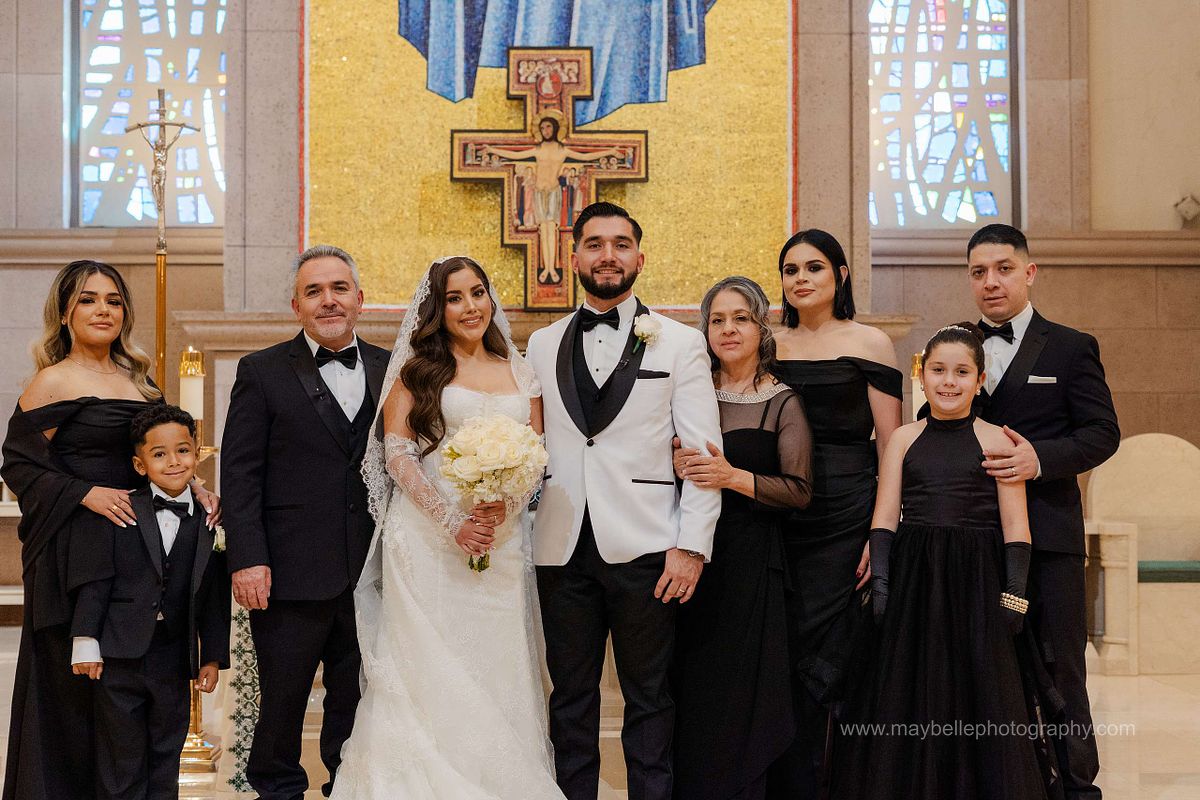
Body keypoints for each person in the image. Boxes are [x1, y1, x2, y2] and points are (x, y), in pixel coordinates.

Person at [331, 256, 562, 798]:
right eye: (454, 298)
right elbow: (398, 454)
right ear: (437, 309)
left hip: (499, 541)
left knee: (495, 663)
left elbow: (536, 452)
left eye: (477, 293)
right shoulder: (417, 371)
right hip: (429, 539)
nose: (470, 307)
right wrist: (451, 519)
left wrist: (507, 501)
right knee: (429, 667)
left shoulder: (521, 371)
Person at [526, 201, 723, 800]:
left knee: (648, 698)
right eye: (593, 244)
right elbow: (531, 442)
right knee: (571, 699)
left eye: (619, 244)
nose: (607, 255)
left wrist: (692, 546)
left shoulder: (682, 344)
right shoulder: (539, 342)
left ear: (640, 256)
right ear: (573, 255)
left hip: (648, 546)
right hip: (560, 546)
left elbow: (703, 456)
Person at [1, 259, 217, 800]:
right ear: (66, 312)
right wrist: (84, 493)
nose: (104, 310)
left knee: (127, 704)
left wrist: (196, 489)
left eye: (114, 300)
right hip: (74, 552)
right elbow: (17, 464)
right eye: (89, 299)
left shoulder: (140, 383)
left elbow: (160, 458)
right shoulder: (53, 380)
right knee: (73, 696)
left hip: (134, 560)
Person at [833, 323, 1047, 800]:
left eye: (961, 372)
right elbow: (886, 514)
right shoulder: (905, 438)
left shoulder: (999, 440)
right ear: (922, 375)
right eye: (938, 370)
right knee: (912, 691)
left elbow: (1017, 527)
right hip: (917, 577)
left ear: (980, 379)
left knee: (980, 691)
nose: (948, 382)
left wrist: (1014, 593)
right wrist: (883, 582)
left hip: (978, 579)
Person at [220, 245, 389, 800]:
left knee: (356, 700)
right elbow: (240, 474)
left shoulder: (394, 370)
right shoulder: (261, 371)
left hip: (371, 571)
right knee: (282, 702)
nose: (328, 300)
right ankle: (277, 789)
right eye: (314, 291)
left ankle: (346, 788)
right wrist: (247, 557)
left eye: (339, 288)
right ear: (297, 306)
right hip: (288, 572)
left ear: (360, 300)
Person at [963, 224, 1119, 799]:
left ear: (1029, 272)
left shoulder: (1071, 346)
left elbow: (1103, 434)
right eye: (979, 272)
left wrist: (1040, 459)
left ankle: (1078, 790)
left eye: (1003, 268)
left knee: (1059, 674)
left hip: (1050, 539)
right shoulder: (955, 348)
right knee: (989, 673)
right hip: (976, 538)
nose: (991, 282)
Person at [770, 229, 903, 795]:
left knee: (833, 652)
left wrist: (883, 534)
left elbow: (892, 446)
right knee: (780, 649)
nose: (801, 278)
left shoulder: (870, 343)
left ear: (841, 276)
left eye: (814, 267)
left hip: (847, 514)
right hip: (777, 511)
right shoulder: (769, 342)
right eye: (790, 269)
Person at [671, 277, 814, 800]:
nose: (728, 330)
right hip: (689, 556)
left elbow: (799, 491)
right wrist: (672, 461)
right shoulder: (687, 391)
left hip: (752, 561)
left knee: (745, 692)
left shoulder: (782, 402)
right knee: (693, 686)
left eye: (741, 319)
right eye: (717, 320)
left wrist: (731, 476)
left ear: (761, 326)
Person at [69, 404, 230, 800]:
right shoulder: (119, 507)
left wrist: (210, 656)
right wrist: (85, 639)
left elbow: (212, 596)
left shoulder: (211, 520)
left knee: (166, 754)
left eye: (183, 450)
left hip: (173, 657)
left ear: (197, 453)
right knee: (120, 758)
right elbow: (96, 579)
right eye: (159, 454)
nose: (173, 462)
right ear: (140, 465)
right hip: (118, 654)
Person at [483, 117, 622, 283]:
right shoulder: (538, 150)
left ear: (555, 128)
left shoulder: (562, 151)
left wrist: (610, 152)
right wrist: (493, 150)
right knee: (543, 230)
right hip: (539, 193)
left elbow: (586, 157)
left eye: (548, 127)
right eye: (542, 127)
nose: (545, 130)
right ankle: (547, 267)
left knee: (552, 230)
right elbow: (515, 154)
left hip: (554, 193)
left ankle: (552, 267)